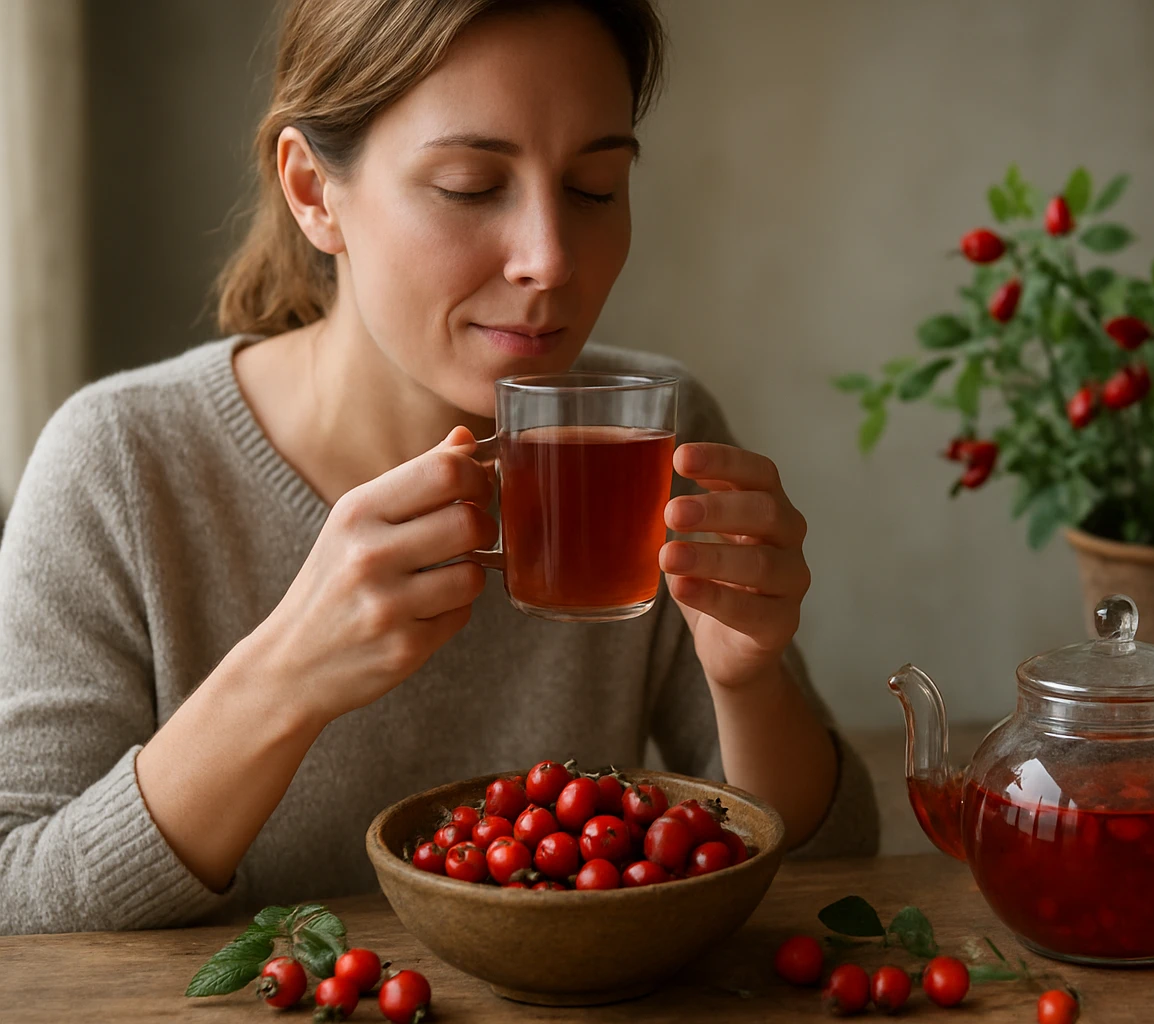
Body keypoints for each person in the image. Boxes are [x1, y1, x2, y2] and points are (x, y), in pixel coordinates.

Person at [0, 0, 876, 935]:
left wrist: (750, 682)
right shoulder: (121, 464)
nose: (549, 260)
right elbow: (17, 900)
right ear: (311, 191)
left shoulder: (647, 438)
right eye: (468, 185)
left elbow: (833, 868)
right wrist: (287, 676)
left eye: (593, 187)